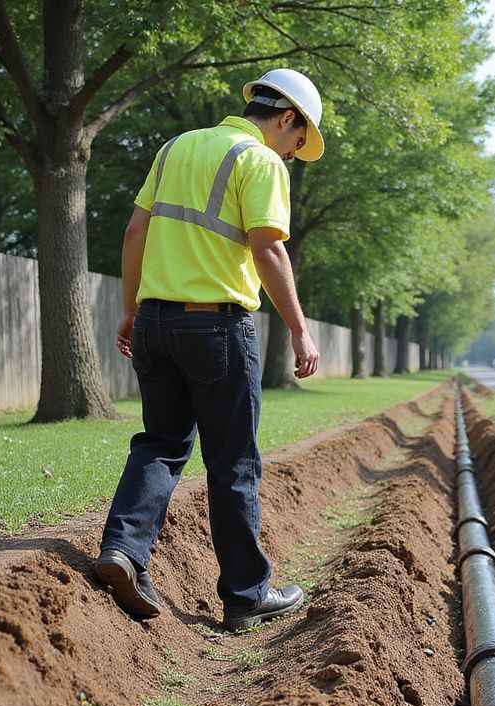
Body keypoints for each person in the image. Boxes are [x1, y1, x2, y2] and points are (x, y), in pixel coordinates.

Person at [95, 69, 324, 631]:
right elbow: (267, 250)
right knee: (233, 462)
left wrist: (129, 310)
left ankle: (123, 550)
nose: (292, 155)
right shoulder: (260, 161)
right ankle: (247, 594)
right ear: (287, 117)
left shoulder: (175, 148)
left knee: (161, 443)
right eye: (297, 143)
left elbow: (133, 233)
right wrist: (299, 328)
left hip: (153, 322)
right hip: (216, 328)